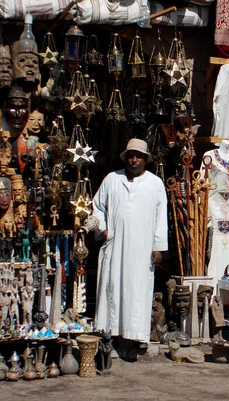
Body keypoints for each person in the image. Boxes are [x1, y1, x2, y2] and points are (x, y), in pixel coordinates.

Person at [92, 139, 168, 346]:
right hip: (115, 245)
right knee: (113, 286)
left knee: (137, 288)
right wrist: (102, 228)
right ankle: (111, 333)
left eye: (139, 156)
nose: (134, 160)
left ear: (145, 159)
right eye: (131, 156)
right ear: (126, 158)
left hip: (141, 248)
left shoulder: (155, 183)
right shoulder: (112, 179)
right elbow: (97, 207)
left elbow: (161, 216)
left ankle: (134, 335)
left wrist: (158, 246)